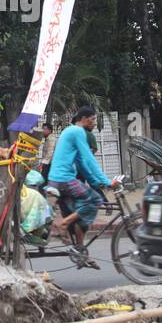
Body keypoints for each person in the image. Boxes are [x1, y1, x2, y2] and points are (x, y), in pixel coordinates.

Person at [47, 106, 120, 262]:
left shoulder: (70, 131)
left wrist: (96, 182)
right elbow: (89, 158)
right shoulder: (78, 132)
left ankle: (80, 252)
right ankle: (64, 224)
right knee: (95, 200)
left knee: (83, 213)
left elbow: (81, 162)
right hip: (64, 179)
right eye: (93, 119)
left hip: (58, 179)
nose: (95, 123)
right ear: (85, 119)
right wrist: (107, 181)